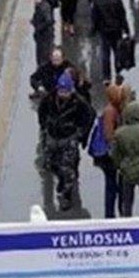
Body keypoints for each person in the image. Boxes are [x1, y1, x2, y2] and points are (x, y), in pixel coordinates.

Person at [37, 72, 95, 210]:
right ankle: (61, 179)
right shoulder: (49, 99)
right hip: (52, 137)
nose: (63, 94)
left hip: (68, 139)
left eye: (66, 91)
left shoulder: (78, 102)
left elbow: (89, 116)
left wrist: (81, 134)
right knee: (49, 164)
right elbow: (41, 112)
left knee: (68, 169)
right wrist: (45, 126)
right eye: (61, 91)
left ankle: (66, 196)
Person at [111, 100, 139, 217]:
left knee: (127, 202)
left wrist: (120, 165)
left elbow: (114, 154)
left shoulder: (119, 133)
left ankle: (127, 222)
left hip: (127, 168)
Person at [96, 80, 133, 218]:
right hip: (111, 156)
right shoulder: (110, 111)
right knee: (113, 185)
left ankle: (116, 211)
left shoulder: (116, 109)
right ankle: (111, 214)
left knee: (117, 185)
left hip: (115, 154)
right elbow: (109, 135)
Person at [90, 0, 130, 82]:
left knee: (105, 53)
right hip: (116, 30)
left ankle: (106, 77)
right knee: (117, 51)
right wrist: (126, 29)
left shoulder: (97, 1)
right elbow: (122, 16)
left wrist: (93, 30)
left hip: (104, 31)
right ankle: (118, 71)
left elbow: (95, 17)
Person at [30, 0, 56, 73]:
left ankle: (44, 71)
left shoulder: (44, 7)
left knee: (44, 54)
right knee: (40, 54)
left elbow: (49, 21)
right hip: (41, 36)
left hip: (45, 36)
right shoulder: (39, 6)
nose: (35, 0)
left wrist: (39, 27)